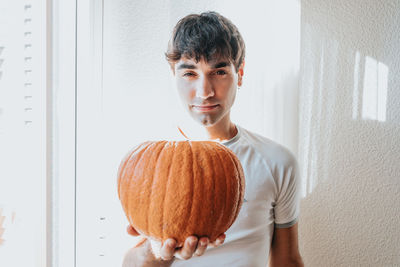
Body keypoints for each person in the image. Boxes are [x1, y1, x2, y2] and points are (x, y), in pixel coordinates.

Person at [123, 11, 304, 267]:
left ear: (239, 74)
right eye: (189, 74)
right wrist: (157, 252)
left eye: (219, 72)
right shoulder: (145, 164)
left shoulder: (278, 162)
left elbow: (288, 260)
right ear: (173, 75)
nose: (205, 92)